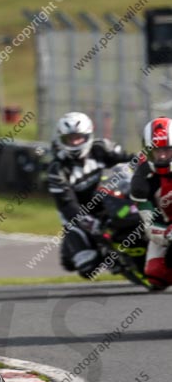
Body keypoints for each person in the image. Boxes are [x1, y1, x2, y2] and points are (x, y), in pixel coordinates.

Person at [47, 112, 133, 278]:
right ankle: (104, 254)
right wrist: (87, 222)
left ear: (88, 135)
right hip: (77, 216)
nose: (74, 142)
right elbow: (66, 205)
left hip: (108, 202)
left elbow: (131, 160)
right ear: (61, 139)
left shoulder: (101, 148)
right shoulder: (57, 169)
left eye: (78, 137)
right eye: (69, 139)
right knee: (87, 268)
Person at [131, 116, 172, 289]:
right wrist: (166, 234)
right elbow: (149, 225)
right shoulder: (141, 181)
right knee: (156, 275)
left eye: (167, 150)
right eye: (157, 150)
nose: (162, 156)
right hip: (168, 226)